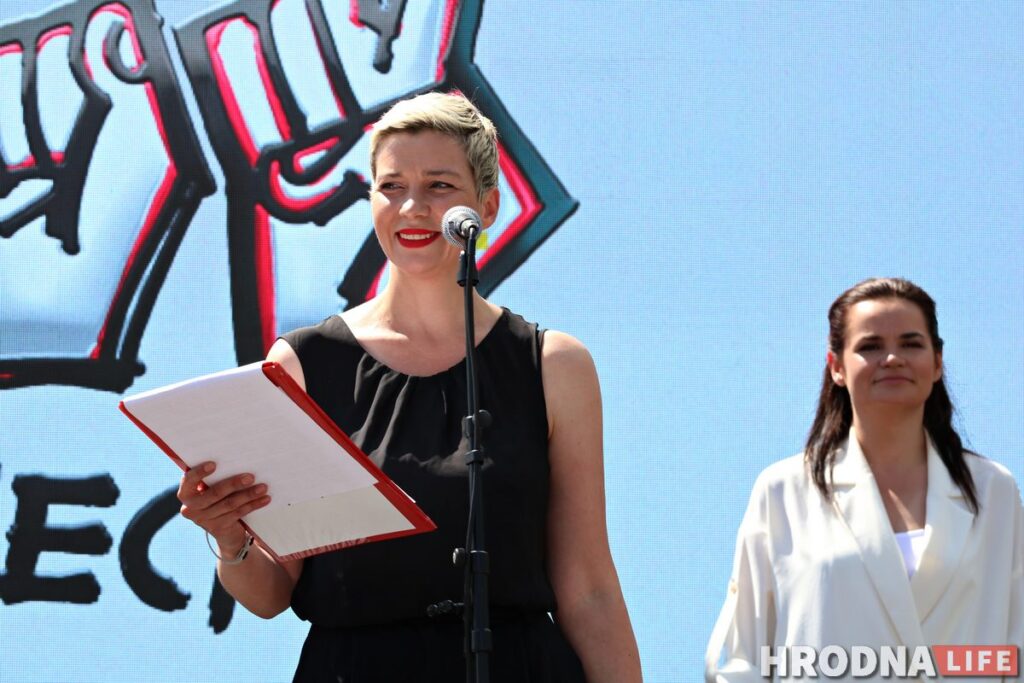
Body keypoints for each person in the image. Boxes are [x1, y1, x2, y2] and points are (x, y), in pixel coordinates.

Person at [176, 91, 642, 683]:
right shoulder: (302, 365)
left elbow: (590, 589)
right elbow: (269, 595)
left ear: (488, 205)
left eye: (440, 186)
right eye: (391, 186)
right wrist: (228, 534)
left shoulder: (552, 365)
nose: (412, 207)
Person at [705, 277, 1023, 681]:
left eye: (911, 343)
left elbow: (1016, 648)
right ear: (836, 366)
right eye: (870, 346)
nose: (892, 359)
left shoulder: (992, 491)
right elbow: (738, 658)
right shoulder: (782, 491)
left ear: (938, 363)